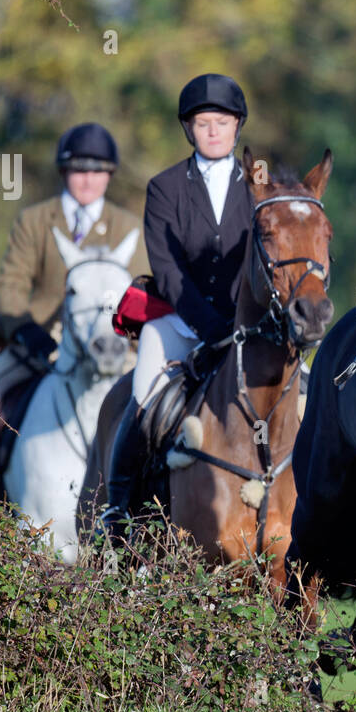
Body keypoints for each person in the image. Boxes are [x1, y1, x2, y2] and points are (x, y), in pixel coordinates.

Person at [99, 73, 254, 533]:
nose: (212, 131)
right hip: (180, 323)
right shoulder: (164, 187)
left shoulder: (259, 182)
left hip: (247, 324)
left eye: (221, 122)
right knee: (146, 397)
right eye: (203, 122)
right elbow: (166, 269)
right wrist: (210, 327)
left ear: (237, 126)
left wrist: (243, 319)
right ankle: (120, 505)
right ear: (189, 129)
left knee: (302, 392)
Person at [0, 122, 149, 484]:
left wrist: (131, 337)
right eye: (80, 169)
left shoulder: (128, 226)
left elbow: (140, 292)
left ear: (109, 175)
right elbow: (12, 284)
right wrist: (26, 330)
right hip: (42, 341)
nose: (88, 179)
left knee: (152, 400)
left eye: (98, 171)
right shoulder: (34, 221)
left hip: (111, 339)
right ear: (65, 171)